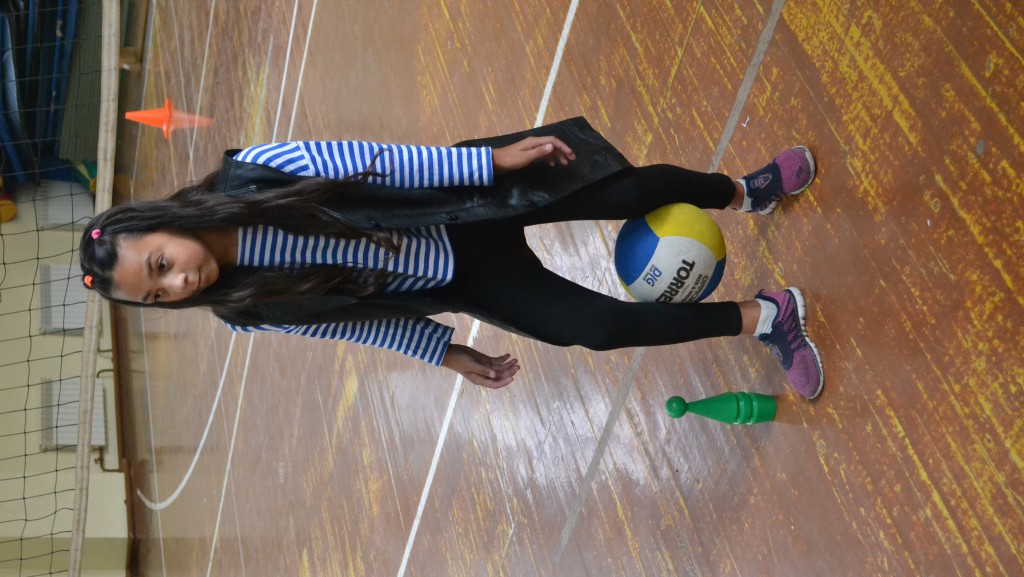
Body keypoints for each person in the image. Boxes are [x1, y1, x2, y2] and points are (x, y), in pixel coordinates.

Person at [79, 118, 824, 398]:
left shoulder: (255, 174)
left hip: (463, 203)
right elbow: (348, 323)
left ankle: (742, 190)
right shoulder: (247, 309)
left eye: (160, 265)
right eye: (161, 295)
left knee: (623, 191)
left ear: (160, 222)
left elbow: (378, 161)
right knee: (594, 329)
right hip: (463, 277)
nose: (181, 282)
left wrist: (489, 164)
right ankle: (766, 315)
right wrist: (445, 352)